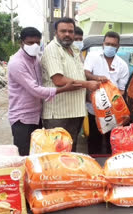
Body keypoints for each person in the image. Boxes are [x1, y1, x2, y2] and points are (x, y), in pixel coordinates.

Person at [8, 27, 81, 156]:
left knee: (38, 155)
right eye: (30, 43)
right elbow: (35, 90)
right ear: (22, 43)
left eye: (37, 42)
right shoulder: (16, 63)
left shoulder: (36, 59)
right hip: (22, 118)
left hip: (36, 116)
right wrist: (64, 89)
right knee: (24, 156)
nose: (34, 46)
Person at [41, 17, 100, 152]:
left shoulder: (74, 50)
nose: (67, 34)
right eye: (63, 31)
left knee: (70, 153)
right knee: (57, 154)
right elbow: (59, 80)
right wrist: (87, 84)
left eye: (70, 31)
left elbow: (79, 74)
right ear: (56, 32)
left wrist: (95, 79)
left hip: (76, 111)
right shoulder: (52, 49)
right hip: (58, 114)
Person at [83, 31, 129, 154]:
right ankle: (95, 164)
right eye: (108, 43)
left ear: (118, 47)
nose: (110, 46)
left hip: (113, 111)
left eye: (113, 45)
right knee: (94, 139)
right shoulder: (93, 56)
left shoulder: (122, 65)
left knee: (112, 140)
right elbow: (86, 73)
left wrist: (112, 103)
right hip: (94, 108)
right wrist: (98, 78)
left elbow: (121, 90)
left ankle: (110, 164)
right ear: (103, 44)